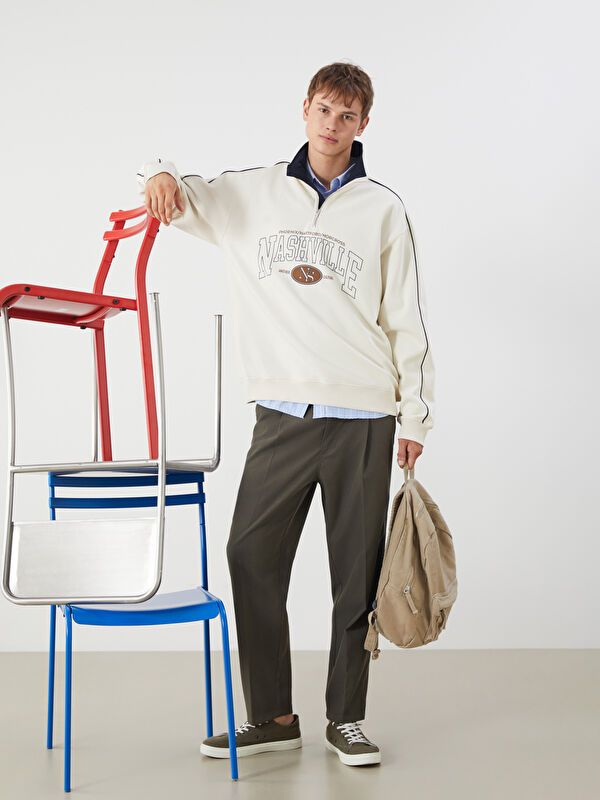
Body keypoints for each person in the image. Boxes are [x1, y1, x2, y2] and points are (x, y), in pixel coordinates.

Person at [139, 61, 435, 767]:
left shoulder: (383, 209)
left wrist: (414, 417)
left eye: (347, 115)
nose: (333, 125)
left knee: (355, 575)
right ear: (305, 110)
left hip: (365, 414)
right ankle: (271, 716)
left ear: (364, 124)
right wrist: (158, 171)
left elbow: (406, 320)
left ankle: (347, 719)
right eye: (324, 110)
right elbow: (178, 194)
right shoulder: (253, 193)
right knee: (250, 555)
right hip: (281, 415)